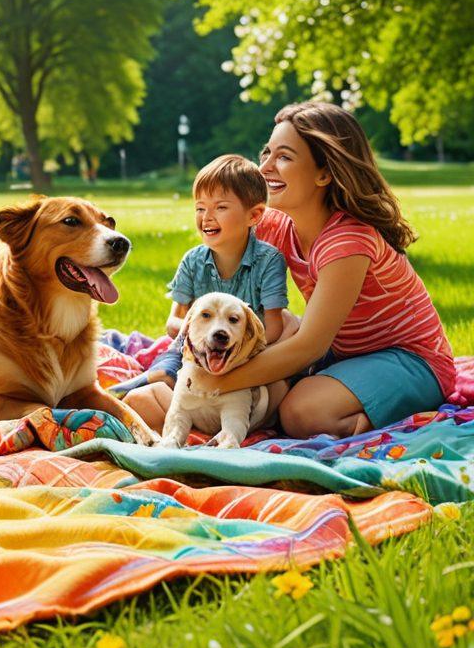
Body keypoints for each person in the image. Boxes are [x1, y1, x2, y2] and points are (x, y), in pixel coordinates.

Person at [127, 102, 455, 439]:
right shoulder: (278, 225)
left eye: (283, 157)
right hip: (343, 355)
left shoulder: (348, 242)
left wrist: (216, 381)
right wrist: (181, 362)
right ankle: (191, 403)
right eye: (266, 152)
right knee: (277, 325)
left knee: (301, 413)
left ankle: (380, 418)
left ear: (324, 174)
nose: (265, 166)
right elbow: (215, 272)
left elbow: (309, 346)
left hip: (412, 363)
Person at [118, 154, 290, 412]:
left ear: (253, 216)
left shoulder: (269, 261)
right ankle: (124, 391)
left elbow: (274, 328)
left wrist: (237, 347)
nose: (206, 217)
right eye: (200, 208)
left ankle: (193, 407)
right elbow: (173, 322)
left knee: (276, 391)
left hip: (245, 354)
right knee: (164, 371)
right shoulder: (193, 261)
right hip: (192, 351)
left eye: (220, 207)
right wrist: (198, 336)